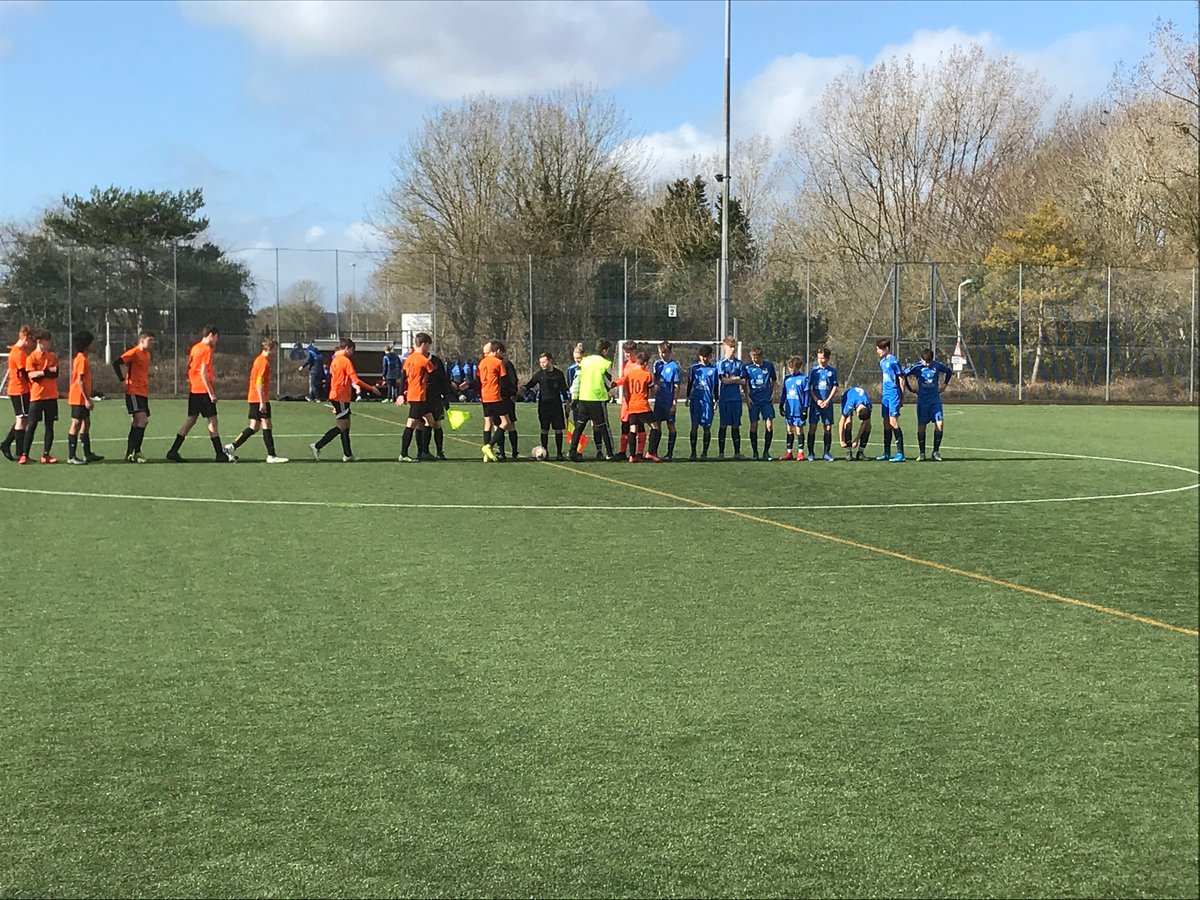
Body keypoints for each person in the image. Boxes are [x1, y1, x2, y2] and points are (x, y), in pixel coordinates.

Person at [167, 325, 230, 463]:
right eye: (216, 337)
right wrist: (211, 393)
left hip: (194, 389)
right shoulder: (206, 349)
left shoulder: (195, 348)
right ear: (211, 335)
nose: (216, 341)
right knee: (213, 421)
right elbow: (203, 372)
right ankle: (219, 454)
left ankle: (173, 450)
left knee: (191, 420)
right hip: (203, 390)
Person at [309, 338, 379, 461]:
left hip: (338, 396)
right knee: (341, 426)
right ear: (347, 348)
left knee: (346, 425)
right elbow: (355, 380)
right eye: (352, 350)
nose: (352, 353)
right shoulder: (345, 361)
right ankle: (317, 445)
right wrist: (371, 388)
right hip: (340, 396)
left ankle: (347, 454)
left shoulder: (335, 360)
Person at [224, 338, 289, 463]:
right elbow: (259, 382)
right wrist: (262, 401)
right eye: (275, 350)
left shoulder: (259, 360)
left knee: (254, 427)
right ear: (270, 349)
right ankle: (271, 455)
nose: (276, 353)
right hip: (259, 398)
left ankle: (230, 447)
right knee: (267, 425)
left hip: (253, 397)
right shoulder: (263, 362)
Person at [568, 339, 616, 461]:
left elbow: (577, 380)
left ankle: (572, 452)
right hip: (597, 398)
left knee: (579, 427)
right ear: (605, 350)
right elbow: (609, 382)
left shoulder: (584, 361)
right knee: (604, 426)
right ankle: (610, 453)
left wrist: (574, 397)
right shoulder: (605, 363)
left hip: (583, 398)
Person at [903, 348, 953, 461]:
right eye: (925, 361)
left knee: (940, 425)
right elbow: (903, 374)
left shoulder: (937, 365)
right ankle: (922, 453)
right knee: (921, 426)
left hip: (935, 400)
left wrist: (944, 384)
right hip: (923, 401)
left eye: (929, 361)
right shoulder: (917, 367)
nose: (927, 364)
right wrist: (910, 388)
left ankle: (936, 452)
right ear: (921, 359)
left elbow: (949, 371)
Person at [113, 331, 154, 463]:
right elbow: (116, 363)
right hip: (133, 391)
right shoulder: (134, 352)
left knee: (136, 422)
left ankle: (130, 453)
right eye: (150, 340)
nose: (152, 343)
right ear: (142, 340)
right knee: (143, 421)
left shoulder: (147, 355)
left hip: (143, 392)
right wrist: (121, 380)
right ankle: (136, 451)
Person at [21, 330, 59, 464]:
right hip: (37, 396)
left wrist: (42, 374)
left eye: (49, 340)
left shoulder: (52, 356)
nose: (49, 343)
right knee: (31, 425)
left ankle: (46, 454)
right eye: (46, 340)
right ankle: (24, 454)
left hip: (51, 396)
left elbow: (55, 373)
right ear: (39, 341)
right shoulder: (31, 357)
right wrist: (44, 372)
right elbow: (31, 375)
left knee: (49, 426)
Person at [397, 332, 436, 462]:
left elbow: (403, 378)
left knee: (430, 421)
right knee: (412, 423)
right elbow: (433, 376)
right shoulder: (425, 360)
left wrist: (402, 393)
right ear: (424, 344)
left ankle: (423, 451)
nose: (429, 348)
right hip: (418, 395)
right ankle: (403, 454)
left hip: (414, 394)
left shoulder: (409, 359)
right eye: (428, 345)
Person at [66, 330, 103, 465]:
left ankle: (87, 454)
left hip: (81, 396)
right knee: (76, 424)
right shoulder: (81, 359)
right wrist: (87, 399)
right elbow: (80, 381)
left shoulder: (83, 358)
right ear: (87, 344)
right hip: (78, 397)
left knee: (86, 422)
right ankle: (71, 456)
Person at [524, 351, 569, 459]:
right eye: (540, 362)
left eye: (544, 362)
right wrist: (520, 389)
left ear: (550, 360)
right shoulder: (539, 374)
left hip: (556, 405)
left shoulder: (558, 374)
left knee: (558, 429)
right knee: (544, 429)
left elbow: (563, 389)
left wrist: (567, 402)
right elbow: (530, 385)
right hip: (544, 405)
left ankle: (559, 453)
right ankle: (545, 452)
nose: (542, 364)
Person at [1, 324, 35, 462]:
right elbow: (23, 373)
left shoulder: (17, 351)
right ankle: (19, 452)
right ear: (26, 337)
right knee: (22, 420)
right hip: (19, 389)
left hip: (21, 389)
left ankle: (7, 445)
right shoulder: (19, 353)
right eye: (31, 340)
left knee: (22, 419)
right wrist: (34, 382)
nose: (31, 344)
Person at [477, 341, 512, 462]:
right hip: (495, 396)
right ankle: (489, 446)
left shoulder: (482, 362)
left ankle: (486, 455)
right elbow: (504, 379)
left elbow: (479, 379)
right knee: (505, 422)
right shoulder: (498, 362)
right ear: (496, 351)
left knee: (488, 423)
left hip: (484, 396)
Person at [715, 336, 748, 459]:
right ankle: (721, 453)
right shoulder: (721, 364)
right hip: (725, 399)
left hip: (736, 399)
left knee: (735, 425)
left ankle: (737, 452)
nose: (733, 349)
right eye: (730, 347)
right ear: (725, 348)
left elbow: (744, 382)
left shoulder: (739, 364)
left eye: (734, 347)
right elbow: (724, 381)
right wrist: (736, 379)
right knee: (723, 425)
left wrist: (732, 379)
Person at [875, 338, 906, 462]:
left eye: (879, 349)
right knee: (886, 422)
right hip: (886, 395)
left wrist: (902, 395)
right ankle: (886, 452)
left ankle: (900, 453)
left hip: (893, 393)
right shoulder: (882, 362)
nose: (877, 351)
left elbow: (901, 378)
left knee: (893, 422)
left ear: (886, 349)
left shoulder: (893, 361)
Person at [685, 345, 718, 460]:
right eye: (701, 356)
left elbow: (716, 387)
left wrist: (716, 400)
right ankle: (693, 452)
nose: (703, 359)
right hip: (696, 400)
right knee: (694, 426)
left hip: (708, 402)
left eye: (705, 357)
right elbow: (690, 383)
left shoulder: (714, 370)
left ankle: (704, 453)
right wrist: (688, 397)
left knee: (706, 427)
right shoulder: (694, 368)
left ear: (710, 356)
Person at [745, 346, 778, 461]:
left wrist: (773, 393)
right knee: (754, 425)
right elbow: (744, 383)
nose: (754, 360)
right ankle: (755, 452)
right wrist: (747, 396)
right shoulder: (748, 367)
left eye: (756, 357)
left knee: (769, 425)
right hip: (754, 400)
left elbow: (774, 380)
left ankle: (766, 452)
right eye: (752, 357)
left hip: (766, 401)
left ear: (761, 356)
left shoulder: (768, 366)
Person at [807, 347, 839, 462]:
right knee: (812, 427)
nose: (821, 360)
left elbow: (835, 386)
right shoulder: (813, 371)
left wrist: (827, 400)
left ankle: (826, 453)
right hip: (816, 404)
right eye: (819, 358)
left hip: (827, 404)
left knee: (828, 427)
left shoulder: (832, 371)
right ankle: (811, 453)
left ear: (828, 358)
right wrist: (817, 400)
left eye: (823, 358)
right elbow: (809, 388)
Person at [649, 341, 680, 460]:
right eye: (661, 352)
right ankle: (654, 452)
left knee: (670, 425)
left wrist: (674, 403)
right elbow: (654, 380)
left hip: (668, 402)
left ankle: (669, 453)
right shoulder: (657, 364)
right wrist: (654, 387)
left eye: (665, 352)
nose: (663, 355)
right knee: (657, 425)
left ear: (670, 352)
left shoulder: (674, 367)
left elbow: (676, 386)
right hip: (659, 401)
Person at [624, 350, 656, 462]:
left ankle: (632, 456)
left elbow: (626, 392)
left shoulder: (629, 375)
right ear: (646, 363)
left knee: (633, 430)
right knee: (655, 427)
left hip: (632, 406)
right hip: (643, 406)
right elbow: (652, 390)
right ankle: (650, 453)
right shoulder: (647, 375)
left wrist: (629, 402)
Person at [423, 343, 452, 460]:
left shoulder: (436, 361)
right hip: (421, 397)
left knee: (437, 423)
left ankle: (439, 452)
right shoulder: (415, 360)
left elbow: (443, 379)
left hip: (435, 397)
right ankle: (423, 451)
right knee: (422, 424)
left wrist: (445, 396)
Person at [777, 357, 809, 461]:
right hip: (789, 410)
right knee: (789, 430)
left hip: (798, 410)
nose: (791, 370)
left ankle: (800, 453)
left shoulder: (803, 379)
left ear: (798, 367)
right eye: (790, 368)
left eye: (793, 368)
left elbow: (806, 395)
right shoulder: (787, 378)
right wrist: (781, 404)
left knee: (799, 430)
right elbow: (784, 393)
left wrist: (805, 408)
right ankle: (789, 452)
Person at [616, 340, 639, 459]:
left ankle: (638, 453)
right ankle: (622, 452)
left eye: (629, 352)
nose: (627, 355)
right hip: (626, 400)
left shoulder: (640, 364)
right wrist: (614, 384)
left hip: (637, 400)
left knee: (637, 426)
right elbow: (623, 379)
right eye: (626, 352)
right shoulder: (625, 364)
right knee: (624, 425)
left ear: (635, 351)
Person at [838, 386, 873, 461]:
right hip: (848, 396)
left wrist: (857, 439)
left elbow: (864, 423)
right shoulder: (849, 405)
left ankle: (860, 452)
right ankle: (849, 451)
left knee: (868, 426)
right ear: (856, 412)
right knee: (848, 422)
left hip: (860, 399)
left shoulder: (868, 405)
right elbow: (841, 422)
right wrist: (841, 440)